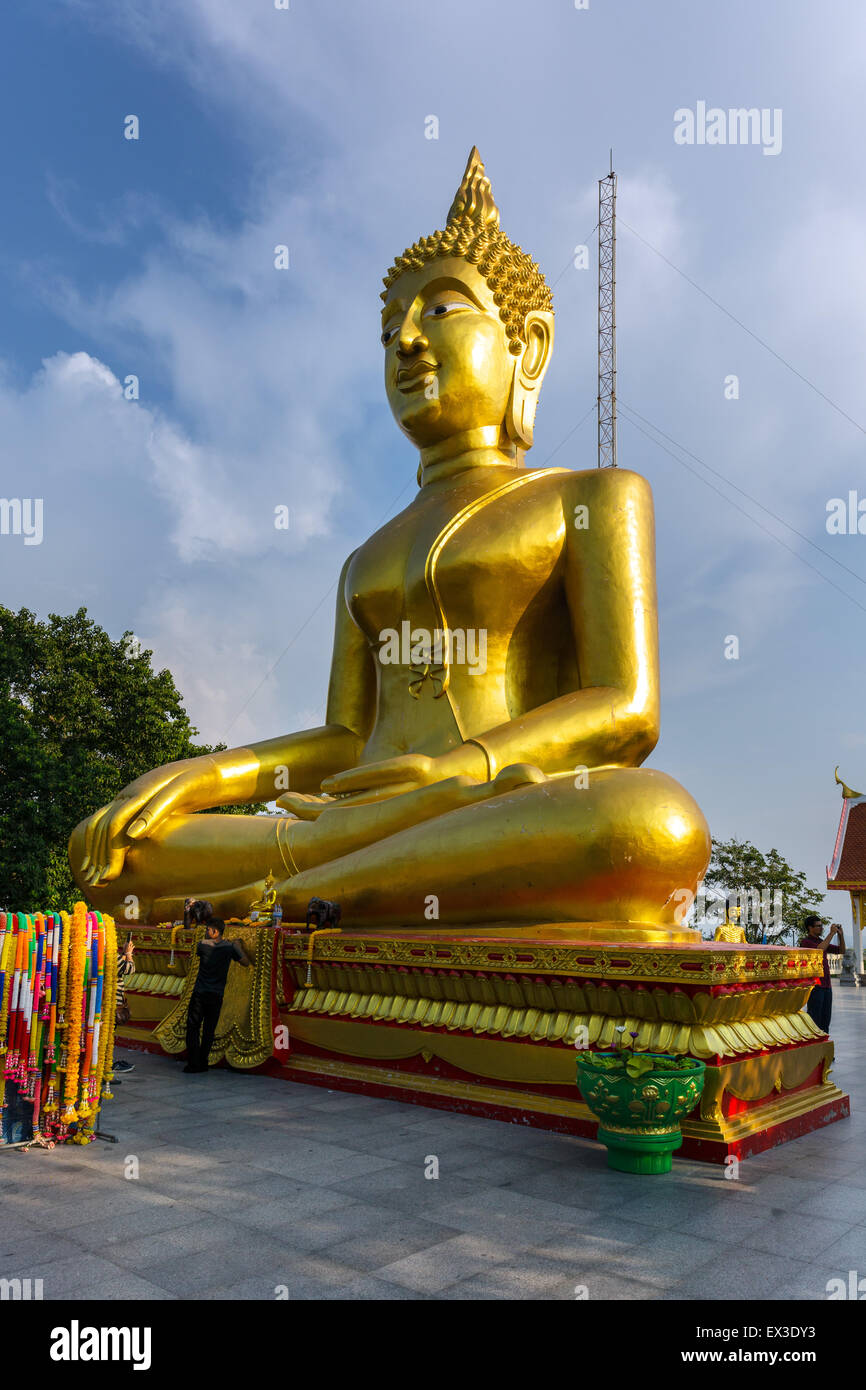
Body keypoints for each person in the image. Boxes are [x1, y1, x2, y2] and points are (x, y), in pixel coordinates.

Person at [184, 918, 251, 1073]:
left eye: (208, 930)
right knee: (209, 1029)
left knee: (193, 1027)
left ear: (215, 931)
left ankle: (193, 1063)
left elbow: (199, 953)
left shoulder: (202, 945)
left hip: (200, 992)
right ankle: (203, 1062)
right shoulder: (230, 947)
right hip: (216, 994)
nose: (206, 932)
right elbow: (246, 962)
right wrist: (238, 946)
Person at [799, 915, 844, 1034]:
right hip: (815, 986)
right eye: (818, 926)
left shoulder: (821, 942)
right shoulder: (806, 942)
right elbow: (819, 950)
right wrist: (831, 934)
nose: (821, 928)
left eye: (821, 926)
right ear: (810, 928)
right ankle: (814, 1044)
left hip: (827, 985)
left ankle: (824, 1043)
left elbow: (841, 950)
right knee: (815, 1018)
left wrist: (840, 935)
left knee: (825, 1018)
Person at [113, 936, 136, 1074]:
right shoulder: (110, 956)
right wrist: (128, 954)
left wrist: (123, 955)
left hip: (104, 1000)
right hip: (112, 1001)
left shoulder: (100, 954)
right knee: (108, 1034)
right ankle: (106, 1064)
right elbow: (130, 969)